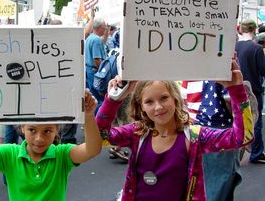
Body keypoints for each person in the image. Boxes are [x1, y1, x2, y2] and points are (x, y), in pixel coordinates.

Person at [96, 58, 253, 201]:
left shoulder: (195, 137)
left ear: (175, 98)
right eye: (149, 102)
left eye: (164, 98)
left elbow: (242, 137)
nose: (158, 107)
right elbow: (100, 137)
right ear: (141, 107)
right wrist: (113, 99)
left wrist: (236, 90)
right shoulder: (137, 133)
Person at [0, 89, 102, 201]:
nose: (39, 139)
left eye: (47, 131)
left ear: (56, 131)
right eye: (32, 130)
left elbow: (92, 149)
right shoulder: (10, 154)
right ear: (22, 128)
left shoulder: (62, 155)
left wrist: (88, 116)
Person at [236, 19, 265, 163]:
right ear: (254, 30)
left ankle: (239, 151)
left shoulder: (234, 46)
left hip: (235, 90)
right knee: (255, 122)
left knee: (238, 121)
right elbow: (263, 70)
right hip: (253, 90)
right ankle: (256, 153)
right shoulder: (256, 49)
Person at [85, 17, 107, 113]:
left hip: (89, 71)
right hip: (95, 72)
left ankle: (93, 121)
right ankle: (97, 123)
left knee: (93, 98)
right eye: (104, 28)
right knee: (99, 100)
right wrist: (103, 72)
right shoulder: (96, 40)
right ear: (99, 28)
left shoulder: (90, 38)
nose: (105, 29)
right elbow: (97, 59)